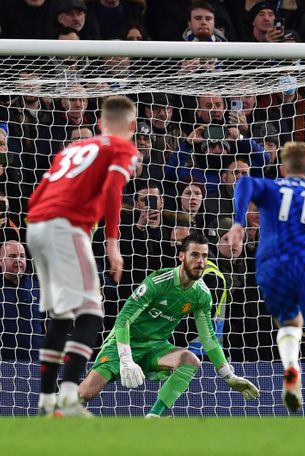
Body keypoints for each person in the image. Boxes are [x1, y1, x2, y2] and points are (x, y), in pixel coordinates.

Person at [26, 95, 140, 417]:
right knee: (91, 311)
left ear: (100, 123)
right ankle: (69, 396)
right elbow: (113, 190)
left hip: (36, 227)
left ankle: (48, 401)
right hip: (67, 226)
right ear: (131, 126)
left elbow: (41, 191)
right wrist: (112, 242)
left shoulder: (70, 149)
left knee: (62, 316)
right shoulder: (122, 148)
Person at [227, 141, 305, 416]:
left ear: (282, 168)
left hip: (271, 263)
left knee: (290, 323)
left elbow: (244, 183)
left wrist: (238, 223)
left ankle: (291, 367)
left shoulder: (273, 187)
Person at [78, 234, 258, 417]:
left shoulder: (202, 294)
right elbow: (123, 319)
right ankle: (53, 410)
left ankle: (153, 416)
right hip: (124, 344)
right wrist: (126, 359)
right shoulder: (158, 281)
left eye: (204, 256)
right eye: (194, 255)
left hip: (156, 348)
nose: (200, 261)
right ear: (181, 256)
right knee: (86, 393)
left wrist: (229, 376)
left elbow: (209, 339)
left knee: (190, 360)